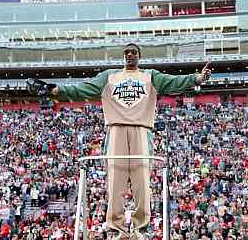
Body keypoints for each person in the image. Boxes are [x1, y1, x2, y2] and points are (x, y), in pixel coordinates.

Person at [27, 43, 211, 239]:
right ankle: (117, 229)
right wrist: (53, 89)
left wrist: (197, 78)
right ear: (123, 56)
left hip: (142, 129)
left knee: (141, 181)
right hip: (115, 129)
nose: (130, 55)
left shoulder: (151, 76)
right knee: (115, 181)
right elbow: (81, 90)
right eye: (126, 52)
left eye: (133, 52)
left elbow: (174, 83)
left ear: (139, 56)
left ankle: (140, 228)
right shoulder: (109, 76)